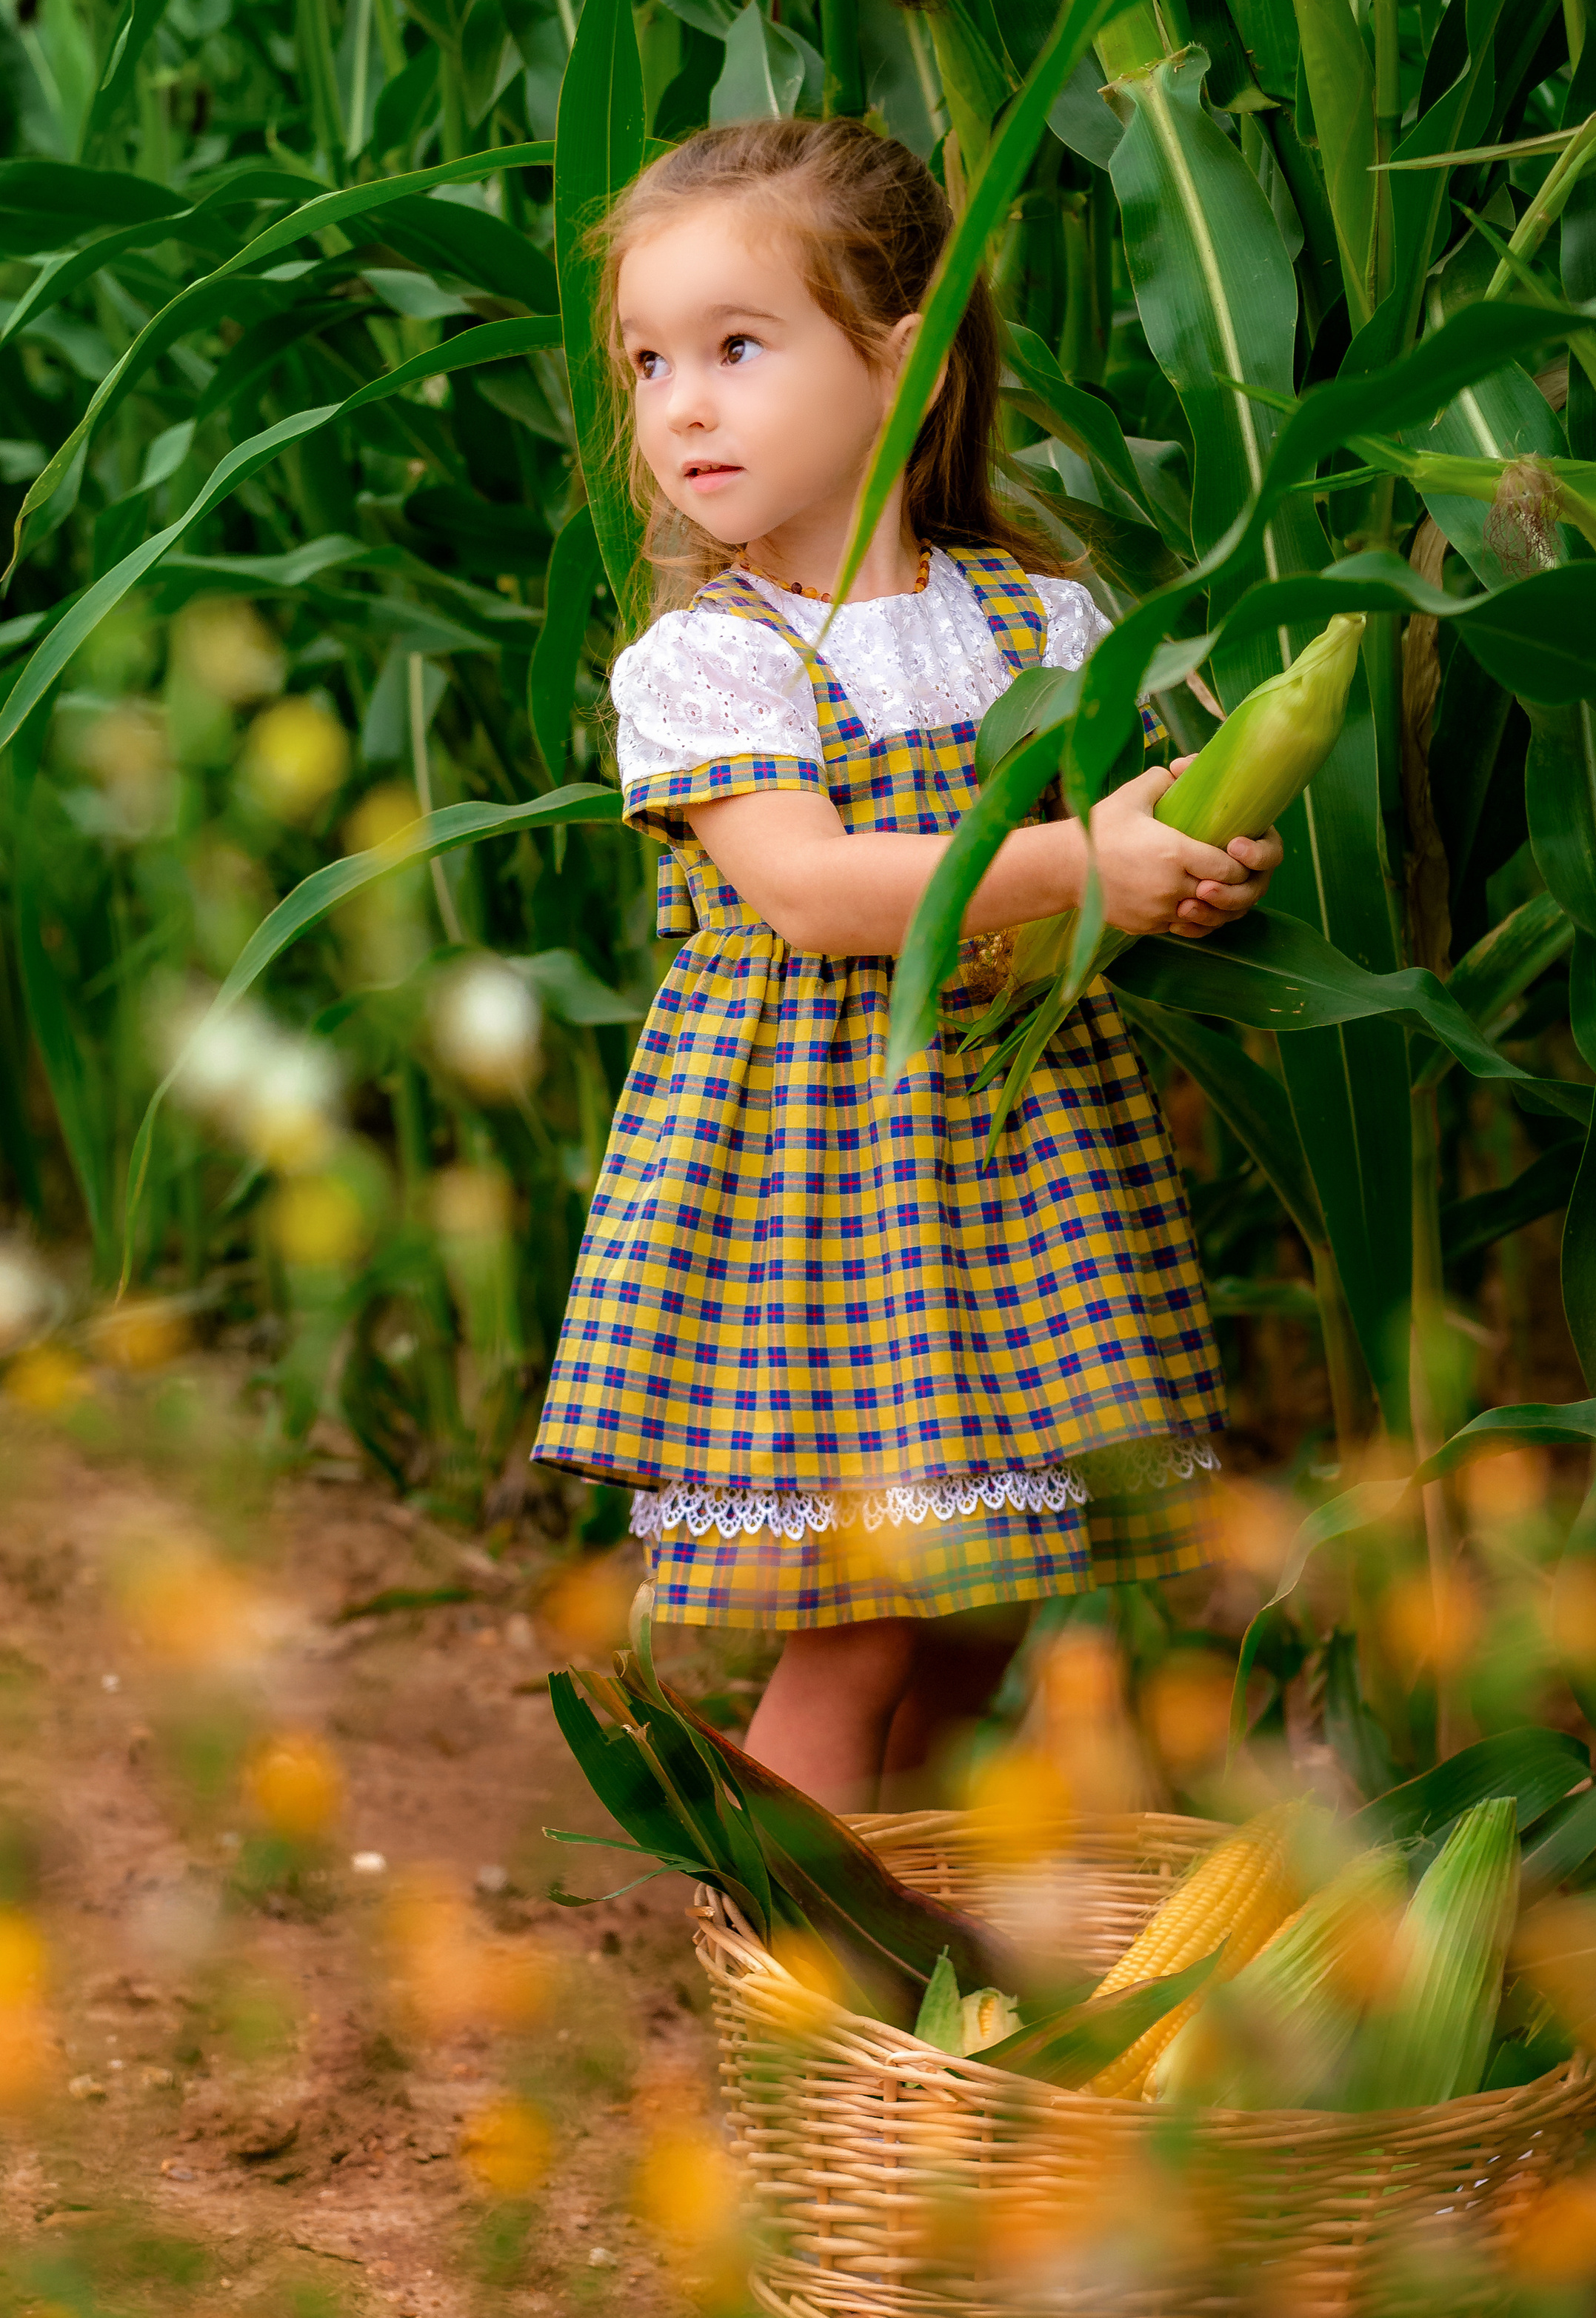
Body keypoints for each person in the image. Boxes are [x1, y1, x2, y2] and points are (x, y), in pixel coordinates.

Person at [532, 118, 1281, 1811]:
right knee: (860, 1620)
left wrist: (1186, 858)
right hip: (821, 1188)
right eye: (648, 363)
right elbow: (810, 890)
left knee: (983, 1610)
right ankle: (779, 1943)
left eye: (736, 347)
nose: (680, 406)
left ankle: (908, 1899)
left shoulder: (1039, 625)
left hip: (1009, 1172)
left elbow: (1103, 845)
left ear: (906, 363)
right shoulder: (712, 661)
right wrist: (1089, 863)